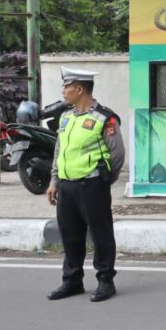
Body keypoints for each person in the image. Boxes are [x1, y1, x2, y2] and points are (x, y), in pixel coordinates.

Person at [45, 67, 125, 302]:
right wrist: (54, 181)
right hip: (67, 186)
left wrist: (103, 181)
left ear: (79, 89)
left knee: (101, 235)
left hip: (91, 186)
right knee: (70, 235)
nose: (63, 91)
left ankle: (105, 281)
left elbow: (117, 154)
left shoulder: (104, 117)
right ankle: (72, 281)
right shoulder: (66, 117)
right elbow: (60, 150)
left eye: (66, 86)